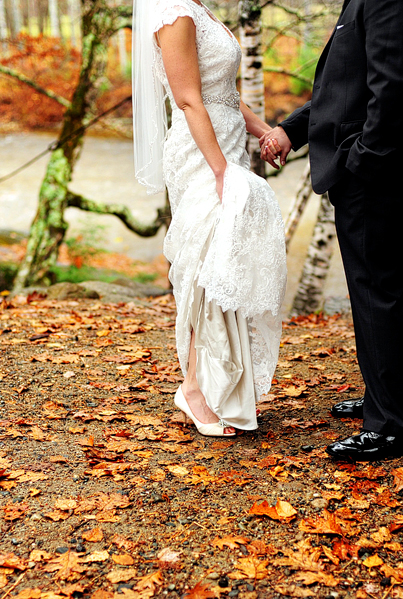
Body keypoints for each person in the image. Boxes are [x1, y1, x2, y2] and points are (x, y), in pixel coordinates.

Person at [259, 0, 403, 460]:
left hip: (377, 175)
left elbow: (393, 90)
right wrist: (292, 130)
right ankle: (387, 401)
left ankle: (392, 427)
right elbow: (345, 87)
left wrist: (360, 162)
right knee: (380, 291)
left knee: (381, 291)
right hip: (373, 172)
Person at [132, 0, 287, 436]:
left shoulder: (199, 7)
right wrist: (220, 169)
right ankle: (195, 390)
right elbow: (187, 98)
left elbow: (224, 95)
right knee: (205, 267)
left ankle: (220, 387)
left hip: (229, 144)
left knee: (226, 265)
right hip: (202, 153)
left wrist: (266, 133)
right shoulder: (172, 11)